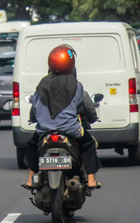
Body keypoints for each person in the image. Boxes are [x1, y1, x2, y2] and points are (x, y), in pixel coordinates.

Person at [22, 44, 101, 191]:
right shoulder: (77, 86)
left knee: (32, 144)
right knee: (89, 144)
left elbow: (35, 108)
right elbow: (86, 107)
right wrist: (91, 118)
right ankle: (91, 179)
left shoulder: (41, 85)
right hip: (71, 130)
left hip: (44, 131)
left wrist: (34, 118)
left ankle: (29, 179)